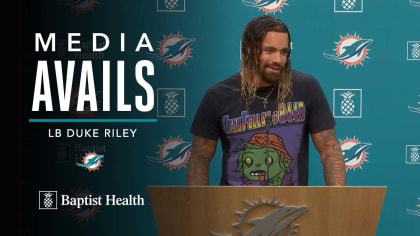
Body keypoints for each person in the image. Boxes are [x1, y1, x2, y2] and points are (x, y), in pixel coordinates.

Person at [187, 15, 345, 186]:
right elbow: (199, 158)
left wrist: (336, 201)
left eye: (284, 52)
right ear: (249, 49)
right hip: (232, 208)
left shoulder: (306, 87)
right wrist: (199, 208)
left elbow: (330, 150)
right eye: (269, 51)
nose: (278, 60)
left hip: (294, 207)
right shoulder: (218, 95)